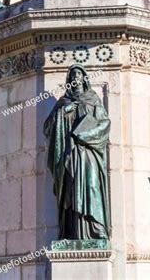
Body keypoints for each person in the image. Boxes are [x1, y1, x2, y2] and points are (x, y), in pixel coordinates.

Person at [43, 65, 111, 240]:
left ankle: (95, 227)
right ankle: (71, 231)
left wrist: (86, 135)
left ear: (84, 77)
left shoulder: (93, 99)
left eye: (79, 73)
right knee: (70, 190)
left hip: (88, 153)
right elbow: (48, 127)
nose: (76, 77)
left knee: (90, 186)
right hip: (69, 154)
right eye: (73, 74)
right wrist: (63, 112)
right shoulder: (63, 102)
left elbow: (104, 124)